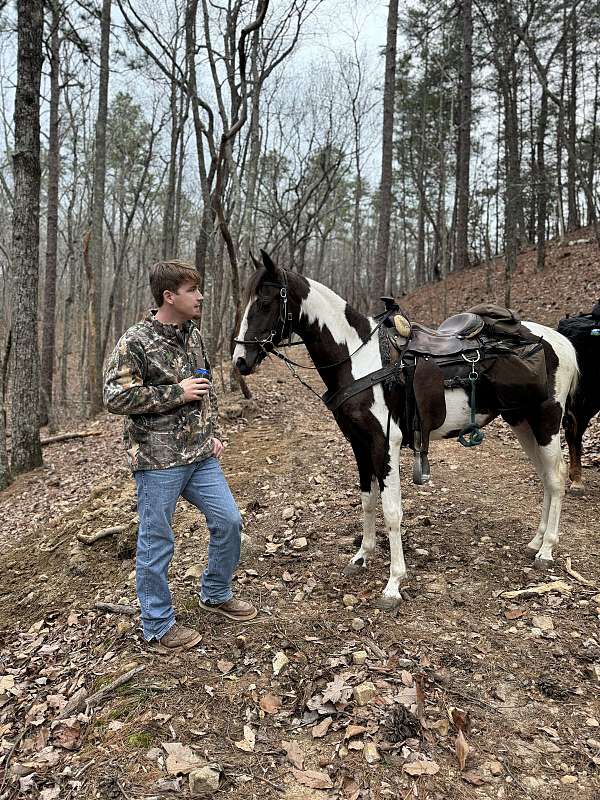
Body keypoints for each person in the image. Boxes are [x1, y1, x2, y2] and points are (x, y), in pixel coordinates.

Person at [103, 260, 257, 652]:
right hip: (157, 461)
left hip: (200, 454)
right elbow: (114, 397)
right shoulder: (135, 341)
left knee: (229, 522)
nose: (201, 296)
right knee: (157, 541)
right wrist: (176, 393)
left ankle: (216, 594)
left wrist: (215, 433)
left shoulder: (194, 334)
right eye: (192, 290)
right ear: (169, 296)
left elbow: (207, 388)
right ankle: (157, 625)